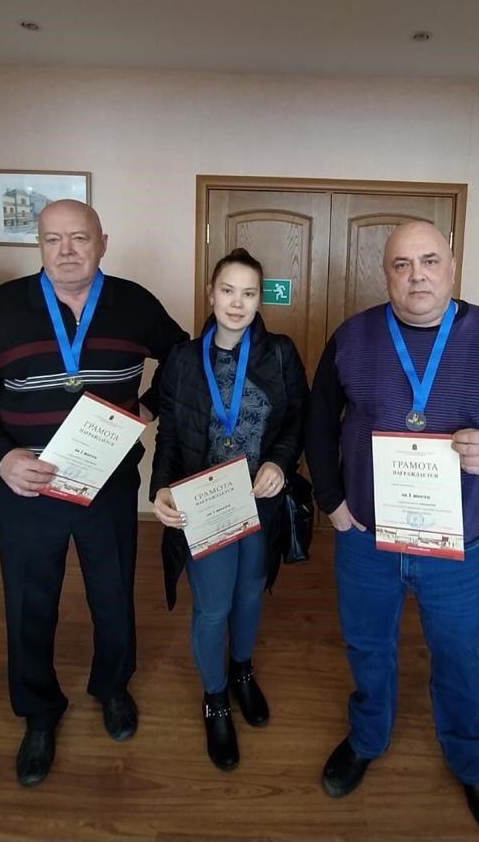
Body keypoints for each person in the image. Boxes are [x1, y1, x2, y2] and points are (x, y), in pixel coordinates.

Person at [305, 220, 479, 842]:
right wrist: (330, 500)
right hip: (365, 536)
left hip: (457, 544)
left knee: (460, 656)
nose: (416, 275)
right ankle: (367, 738)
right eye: (401, 264)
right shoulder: (352, 337)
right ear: (386, 274)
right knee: (367, 646)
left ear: (452, 266)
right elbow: (318, 420)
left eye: (428, 261)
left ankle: (471, 762)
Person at [0, 200, 187, 788]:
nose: (66, 250)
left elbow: (186, 360)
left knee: (113, 593)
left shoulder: (134, 303)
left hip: (108, 485)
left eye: (79, 237)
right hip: (27, 487)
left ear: (102, 241)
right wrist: (2, 457)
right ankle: (38, 711)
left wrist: (144, 411)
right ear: (39, 245)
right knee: (29, 604)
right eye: (53, 239)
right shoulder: (3, 307)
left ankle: (112, 687)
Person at [150, 247, 308, 771]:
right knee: (213, 606)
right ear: (210, 294)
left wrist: (281, 463)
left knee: (249, 596)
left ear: (260, 299)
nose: (237, 303)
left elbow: (297, 418)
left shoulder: (279, 354)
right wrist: (161, 488)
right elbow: (169, 431)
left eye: (249, 293)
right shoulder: (181, 359)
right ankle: (215, 696)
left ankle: (242, 670)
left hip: (259, 501)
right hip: (205, 503)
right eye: (227, 291)